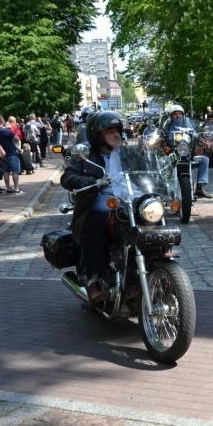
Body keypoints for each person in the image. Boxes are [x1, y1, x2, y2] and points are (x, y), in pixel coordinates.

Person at [60, 111, 129, 303]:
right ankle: (94, 282)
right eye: (109, 132)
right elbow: (67, 177)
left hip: (126, 206)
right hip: (98, 207)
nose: (116, 135)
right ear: (97, 136)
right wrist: (87, 181)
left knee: (150, 217)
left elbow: (146, 170)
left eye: (118, 131)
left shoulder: (127, 154)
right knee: (96, 225)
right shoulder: (86, 155)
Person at [162, 105, 213, 199]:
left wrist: (202, 139)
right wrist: (159, 139)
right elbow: (161, 136)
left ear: (183, 115)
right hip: (171, 159)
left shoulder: (188, 127)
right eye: (175, 114)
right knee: (160, 163)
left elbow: (196, 134)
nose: (178, 116)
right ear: (171, 116)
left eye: (179, 114)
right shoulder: (167, 129)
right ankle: (161, 189)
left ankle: (200, 187)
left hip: (188, 157)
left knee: (204, 160)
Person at [0, 115, 23, 194]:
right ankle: (16, 188)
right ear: (2, 120)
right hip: (11, 152)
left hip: (2, 154)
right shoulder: (6, 131)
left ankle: (8, 188)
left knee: (6, 171)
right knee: (15, 171)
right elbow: (17, 138)